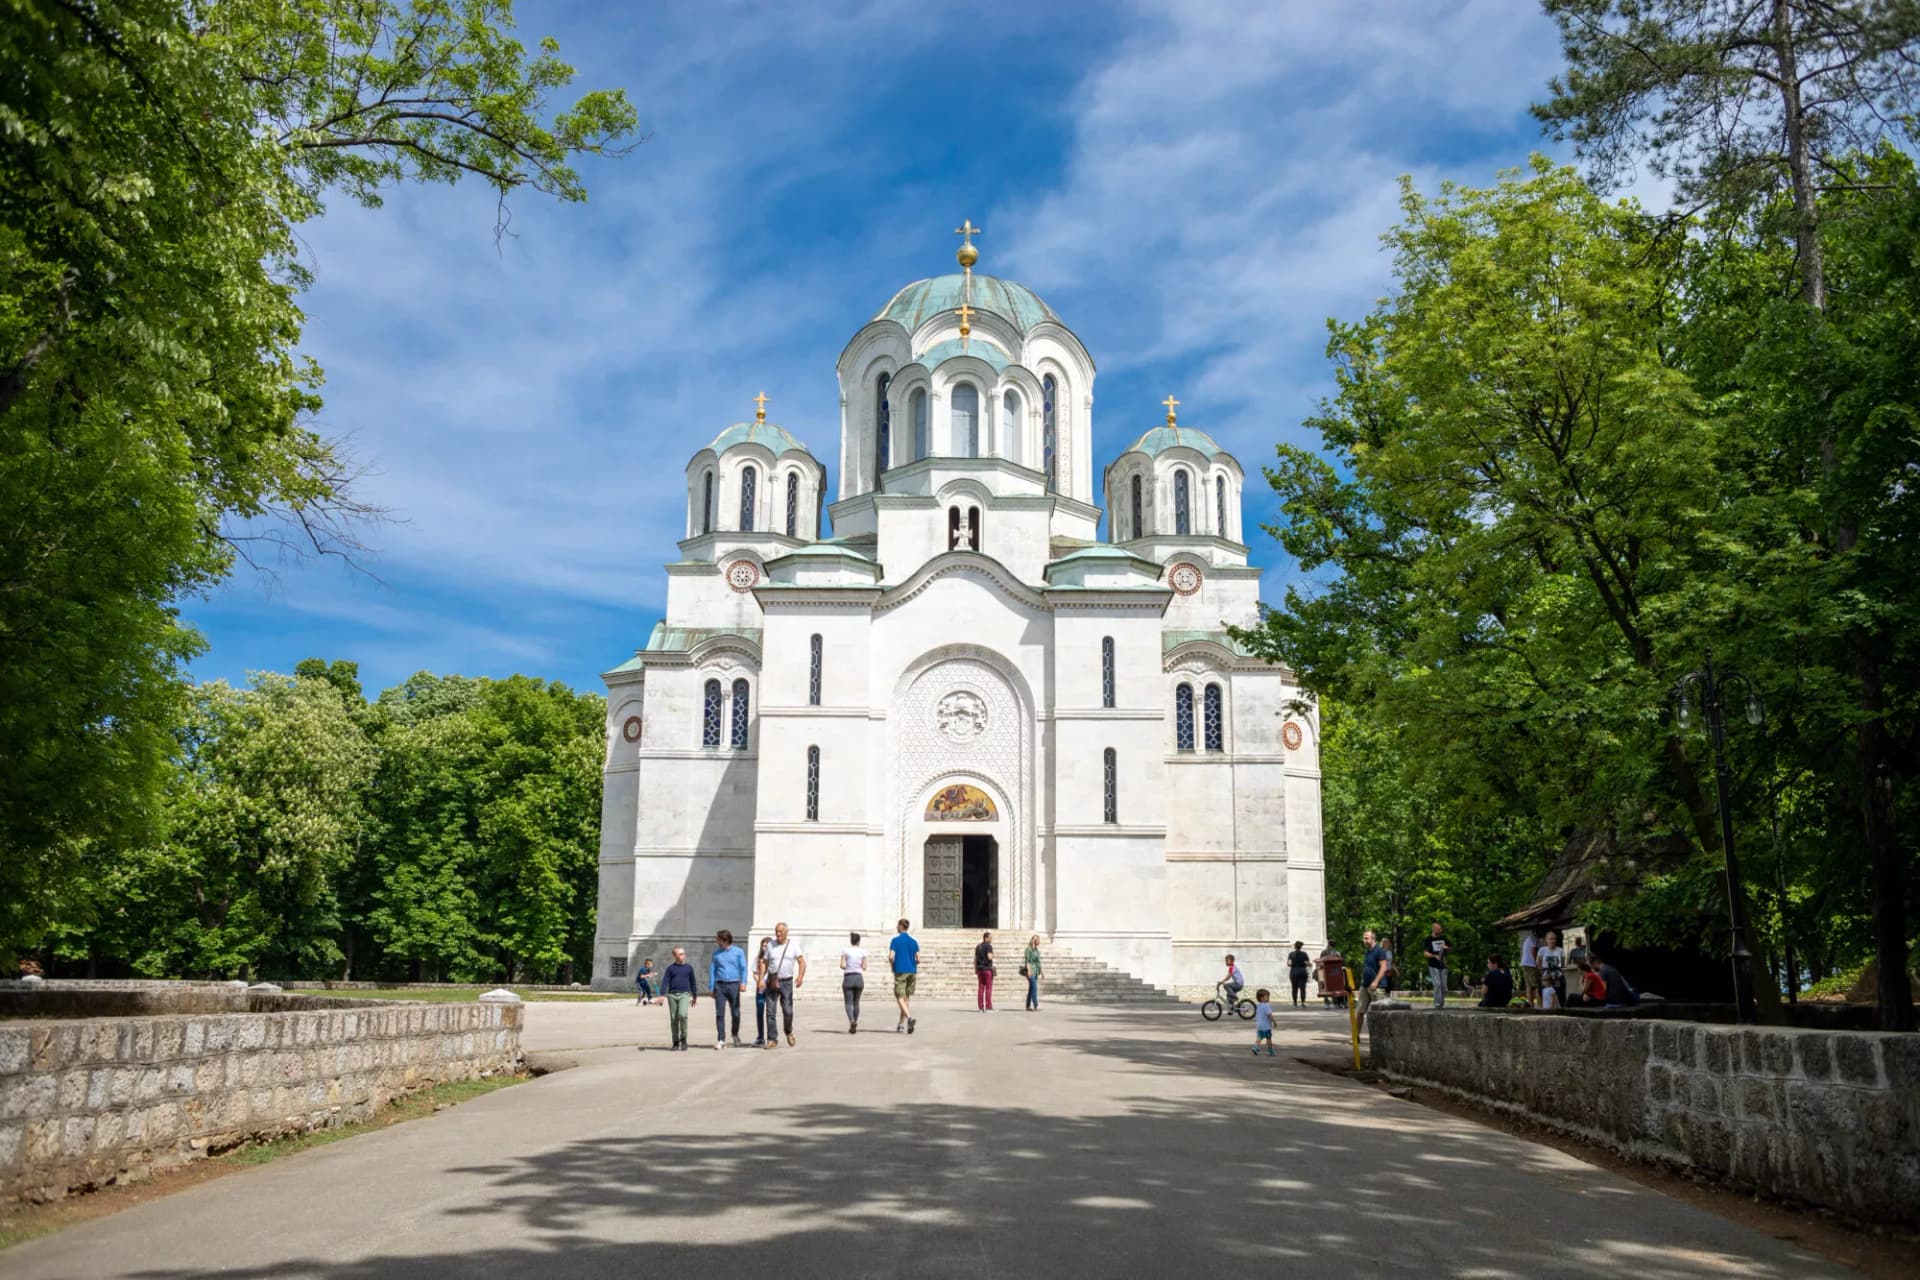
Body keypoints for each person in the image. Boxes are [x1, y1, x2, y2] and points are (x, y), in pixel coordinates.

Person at [758, 922, 805, 1047]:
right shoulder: (770, 945)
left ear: (786, 932)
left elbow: (801, 962)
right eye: (776, 931)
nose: (778, 934)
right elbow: (764, 962)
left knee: (788, 1011)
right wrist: (761, 979)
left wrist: (800, 977)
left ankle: (788, 1031)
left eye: (780, 931)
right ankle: (772, 1039)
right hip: (772, 981)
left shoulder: (794, 946)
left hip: (787, 982)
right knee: (770, 1011)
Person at [709, 929, 747, 1049]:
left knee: (735, 1013)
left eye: (718, 939)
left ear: (725, 940)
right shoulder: (716, 954)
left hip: (734, 985)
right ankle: (721, 1039)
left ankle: (735, 1034)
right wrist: (711, 987)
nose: (716, 941)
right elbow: (712, 970)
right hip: (719, 986)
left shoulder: (738, 952)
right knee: (720, 1013)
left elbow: (743, 968)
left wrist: (744, 982)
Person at [660, 946, 697, 1051]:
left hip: (685, 994)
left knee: (682, 1014)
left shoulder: (689, 968)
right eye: (680, 954)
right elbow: (665, 982)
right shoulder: (670, 969)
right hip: (672, 995)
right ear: (674, 956)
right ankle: (675, 1042)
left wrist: (695, 996)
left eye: (683, 953)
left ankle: (684, 1039)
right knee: (674, 1019)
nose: (682, 956)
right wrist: (662, 995)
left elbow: (693, 982)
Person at [888, 919, 920, 1034]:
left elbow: (891, 956)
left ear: (901, 926)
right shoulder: (914, 941)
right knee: (906, 998)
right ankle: (901, 1025)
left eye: (897, 925)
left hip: (900, 971)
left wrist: (892, 965)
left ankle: (910, 1018)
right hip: (912, 971)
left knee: (899, 997)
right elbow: (918, 959)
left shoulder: (895, 941)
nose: (896, 927)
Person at [1358, 930, 1394, 1025]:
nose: (1364, 940)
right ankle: (1355, 1037)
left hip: (1377, 987)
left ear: (1373, 939)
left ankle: (1384, 1036)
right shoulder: (1367, 952)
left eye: (1366, 938)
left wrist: (1375, 981)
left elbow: (1384, 967)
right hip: (1365, 986)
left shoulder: (1380, 951)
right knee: (1359, 1011)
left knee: (1380, 1013)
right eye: (1363, 938)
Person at [840, 930, 867, 1033]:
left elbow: (842, 965)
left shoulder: (845, 951)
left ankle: (851, 1020)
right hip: (859, 978)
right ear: (859, 941)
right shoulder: (863, 952)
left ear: (851, 941)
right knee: (856, 1003)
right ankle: (855, 1021)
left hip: (848, 977)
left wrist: (849, 965)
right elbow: (864, 967)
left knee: (848, 1003)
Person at [1423, 921, 1450, 1009]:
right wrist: (1434, 956)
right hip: (1433, 965)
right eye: (1438, 929)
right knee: (1437, 984)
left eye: (1441, 929)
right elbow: (1425, 953)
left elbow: (1450, 947)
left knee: (1443, 986)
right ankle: (1437, 1004)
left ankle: (1441, 1004)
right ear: (1434, 929)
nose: (1440, 931)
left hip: (1443, 965)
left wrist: (1447, 948)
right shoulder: (1428, 940)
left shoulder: (1444, 938)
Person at [751, 938, 772, 1046]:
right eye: (763, 946)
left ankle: (770, 1037)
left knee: (770, 1013)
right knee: (759, 1012)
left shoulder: (773, 959)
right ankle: (760, 1036)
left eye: (767, 946)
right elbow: (754, 972)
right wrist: (758, 981)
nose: (764, 948)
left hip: (770, 987)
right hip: (760, 988)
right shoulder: (758, 959)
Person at [1538, 930, 1566, 1010]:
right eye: (1550, 939)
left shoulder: (1560, 950)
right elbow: (1538, 962)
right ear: (1546, 940)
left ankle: (1561, 1008)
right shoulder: (1542, 950)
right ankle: (1544, 1008)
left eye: (1554, 939)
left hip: (1557, 972)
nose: (1552, 941)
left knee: (1558, 991)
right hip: (1546, 973)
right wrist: (1542, 972)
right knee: (1544, 991)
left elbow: (1563, 963)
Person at [1518, 929, 1541, 1007]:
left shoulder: (1529, 938)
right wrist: (1537, 962)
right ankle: (1539, 1004)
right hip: (1530, 964)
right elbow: (1533, 951)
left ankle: (1531, 1004)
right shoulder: (1533, 938)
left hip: (1525, 964)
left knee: (1529, 985)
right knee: (1537, 985)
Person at [974, 930, 996, 1011]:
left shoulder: (978, 946)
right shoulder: (989, 946)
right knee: (988, 988)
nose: (991, 939)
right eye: (990, 937)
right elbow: (989, 957)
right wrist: (994, 955)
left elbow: (975, 959)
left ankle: (980, 1007)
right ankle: (988, 1006)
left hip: (979, 969)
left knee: (981, 988)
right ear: (986, 938)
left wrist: (975, 969)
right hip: (987, 969)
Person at [1250, 988, 1275, 1056]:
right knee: (1268, 1038)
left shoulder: (1258, 1006)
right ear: (1262, 998)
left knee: (1259, 1037)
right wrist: (1274, 1021)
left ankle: (1255, 1047)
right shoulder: (1267, 1006)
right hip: (1266, 1026)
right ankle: (1270, 1050)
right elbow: (1270, 1015)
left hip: (1259, 1025)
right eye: (1267, 997)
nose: (1268, 998)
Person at [1286, 941, 1311, 1008]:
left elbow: (1288, 963)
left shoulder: (1291, 954)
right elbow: (1308, 963)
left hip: (1294, 971)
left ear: (1295, 946)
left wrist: (1293, 964)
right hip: (1302, 972)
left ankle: (1295, 1003)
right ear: (1301, 946)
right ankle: (1302, 1003)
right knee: (1302, 988)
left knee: (1294, 988)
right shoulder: (1304, 954)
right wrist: (1305, 964)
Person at [1023, 935, 1043, 1010]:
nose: (1039, 941)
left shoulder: (1036, 950)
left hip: (1036, 971)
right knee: (1034, 987)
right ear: (1035, 940)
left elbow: (1038, 962)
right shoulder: (1029, 949)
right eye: (1038, 940)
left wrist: (1041, 972)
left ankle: (1027, 1006)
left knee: (1031, 988)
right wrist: (1028, 971)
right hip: (1030, 971)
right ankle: (1036, 1004)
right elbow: (1027, 961)